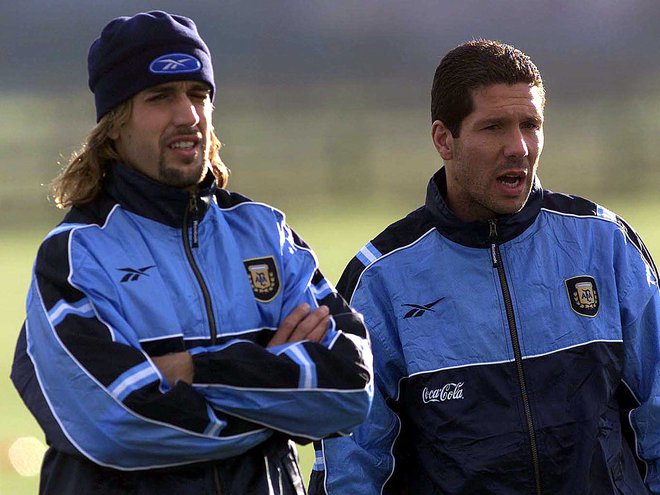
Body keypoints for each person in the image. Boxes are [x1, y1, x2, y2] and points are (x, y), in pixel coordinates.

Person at [10, 11, 372, 495]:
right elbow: (115, 422)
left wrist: (191, 370)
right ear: (114, 124)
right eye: (161, 97)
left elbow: (349, 386)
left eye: (198, 94)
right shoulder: (76, 255)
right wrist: (278, 401)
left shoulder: (266, 233)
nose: (188, 115)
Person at [309, 39, 660, 494]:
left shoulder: (605, 245)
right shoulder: (381, 280)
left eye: (530, 125)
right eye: (494, 127)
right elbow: (351, 464)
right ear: (443, 139)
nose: (518, 147)